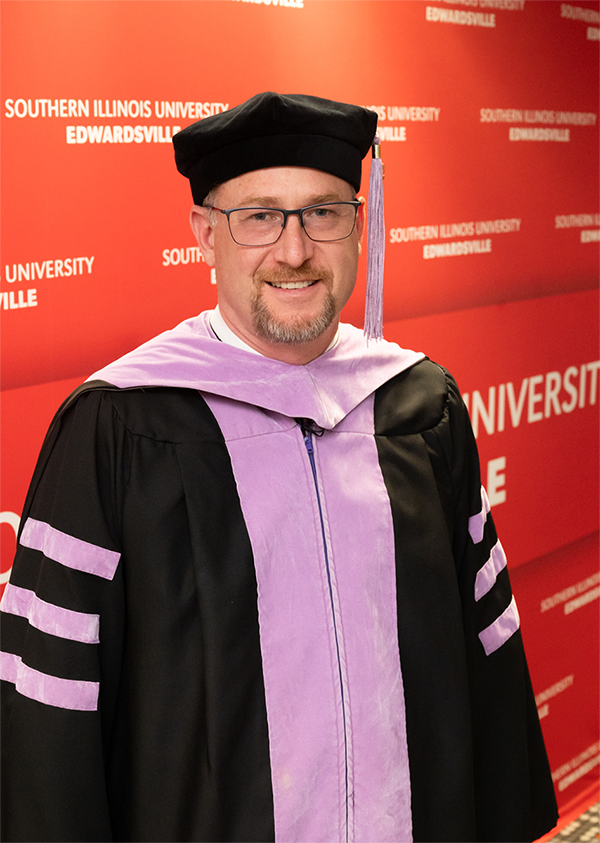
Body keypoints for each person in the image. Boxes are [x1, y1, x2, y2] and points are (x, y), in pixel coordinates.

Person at [1, 92, 557, 843]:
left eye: (323, 213)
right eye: (259, 217)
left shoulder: (420, 406)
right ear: (205, 234)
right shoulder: (120, 427)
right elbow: (50, 703)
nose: (294, 251)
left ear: (359, 224)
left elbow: (486, 650)